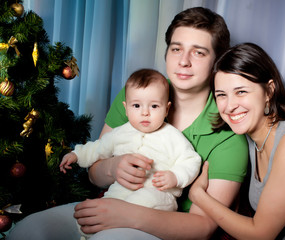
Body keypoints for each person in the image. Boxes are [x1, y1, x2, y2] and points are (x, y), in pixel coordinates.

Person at [8, 7, 249, 240]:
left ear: (217, 62)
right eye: (176, 49)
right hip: (112, 203)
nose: (183, 61)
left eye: (199, 52)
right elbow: (94, 174)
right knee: (27, 231)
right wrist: (114, 167)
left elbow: (203, 227)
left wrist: (131, 216)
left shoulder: (228, 135)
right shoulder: (137, 94)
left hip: (163, 225)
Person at [60, 68, 201, 238]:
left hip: (158, 195)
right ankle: (88, 233)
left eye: (154, 106)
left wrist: (175, 176)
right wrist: (77, 155)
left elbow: (191, 160)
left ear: (166, 109)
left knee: (140, 202)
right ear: (126, 109)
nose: (145, 112)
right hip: (122, 189)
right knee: (95, 213)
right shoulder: (120, 133)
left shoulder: (172, 136)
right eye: (136, 105)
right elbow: (99, 148)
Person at [189, 42, 285, 240]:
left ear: (269, 91)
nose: (230, 106)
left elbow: (260, 234)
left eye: (241, 92)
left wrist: (199, 196)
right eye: (221, 95)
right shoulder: (251, 140)